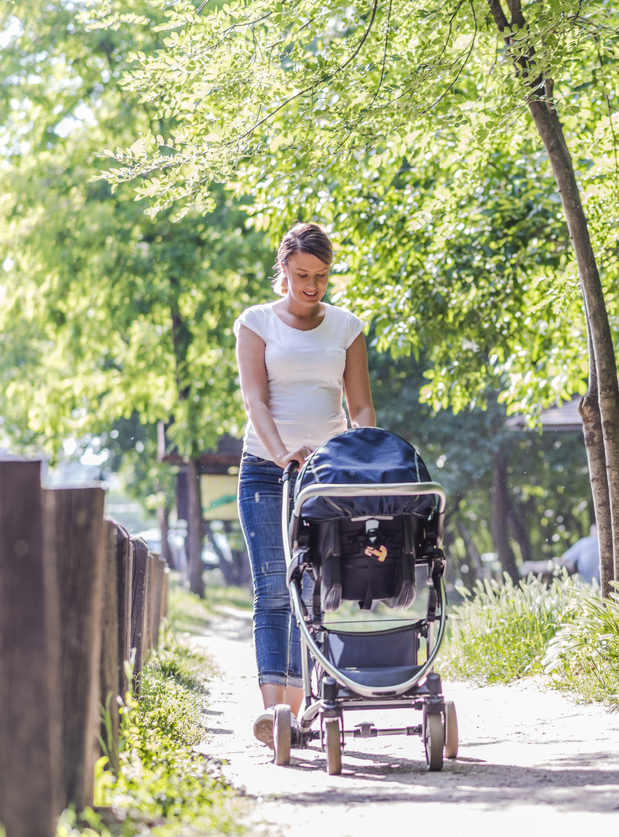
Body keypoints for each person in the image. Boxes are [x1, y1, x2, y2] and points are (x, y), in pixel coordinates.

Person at [233, 222, 376, 751]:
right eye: (301, 276)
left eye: (320, 276)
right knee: (274, 588)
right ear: (284, 270)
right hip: (268, 472)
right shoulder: (256, 323)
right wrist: (281, 452)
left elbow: (359, 406)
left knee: (324, 588)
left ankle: (319, 701)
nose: (311, 287)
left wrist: (368, 454)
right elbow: (255, 400)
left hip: (330, 474)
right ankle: (279, 716)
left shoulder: (346, 327)